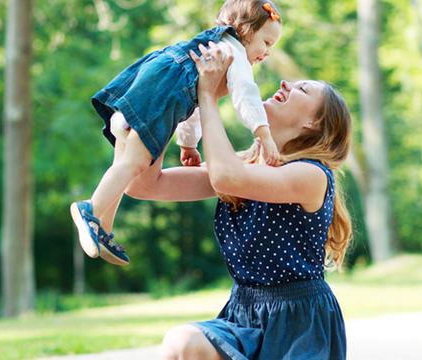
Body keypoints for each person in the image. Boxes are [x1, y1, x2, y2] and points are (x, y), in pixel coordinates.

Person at [124, 42, 353, 359]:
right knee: (182, 343)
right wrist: (167, 101)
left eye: (302, 89)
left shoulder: (312, 176)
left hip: (299, 325)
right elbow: (143, 184)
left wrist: (207, 95)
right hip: (243, 315)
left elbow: (226, 177)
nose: (285, 83)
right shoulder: (242, 168)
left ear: (313, 123)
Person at [70, 0, 283, 266]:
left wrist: (188, 144)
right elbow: (246, 96)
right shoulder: (233, 53)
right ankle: (89, 209)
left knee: (124, 164)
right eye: (266, 42)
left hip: (143, 91)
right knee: (133, 163)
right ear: (245, 30)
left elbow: (191, 102)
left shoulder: (210, 50)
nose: (267, 52)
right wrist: (263, 134)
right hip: (155, 100)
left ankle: (103, 227)